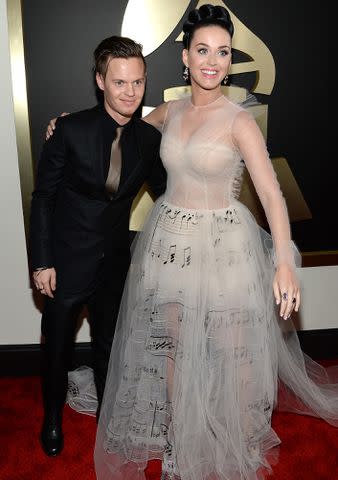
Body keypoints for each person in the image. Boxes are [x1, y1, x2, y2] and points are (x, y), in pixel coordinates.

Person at [47, 6, 338, 479]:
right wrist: (69, 123)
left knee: (231, 354)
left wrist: (284, 262)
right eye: (203, 50)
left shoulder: (238, 120)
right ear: (185, 56)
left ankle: (234, 441)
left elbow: (271, 194)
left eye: (222, 52)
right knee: (173, 349)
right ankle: (180, 436)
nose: (213, 61)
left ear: (229, 60)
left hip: (224, 250)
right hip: (169, 246)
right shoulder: (172, 109)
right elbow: (121, 119)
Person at [29, 35, 166, 457]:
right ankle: (52, 419)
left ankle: (110, 421)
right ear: (100, 80)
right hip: (65, 264)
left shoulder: (148, 139)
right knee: (57, 349)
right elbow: (43, 199)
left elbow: (167, 193)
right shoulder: (69, 130)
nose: (130, 92)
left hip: (114, 266)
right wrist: (42, 262)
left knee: (110, 348)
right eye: (120, 82)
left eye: (138, 83)